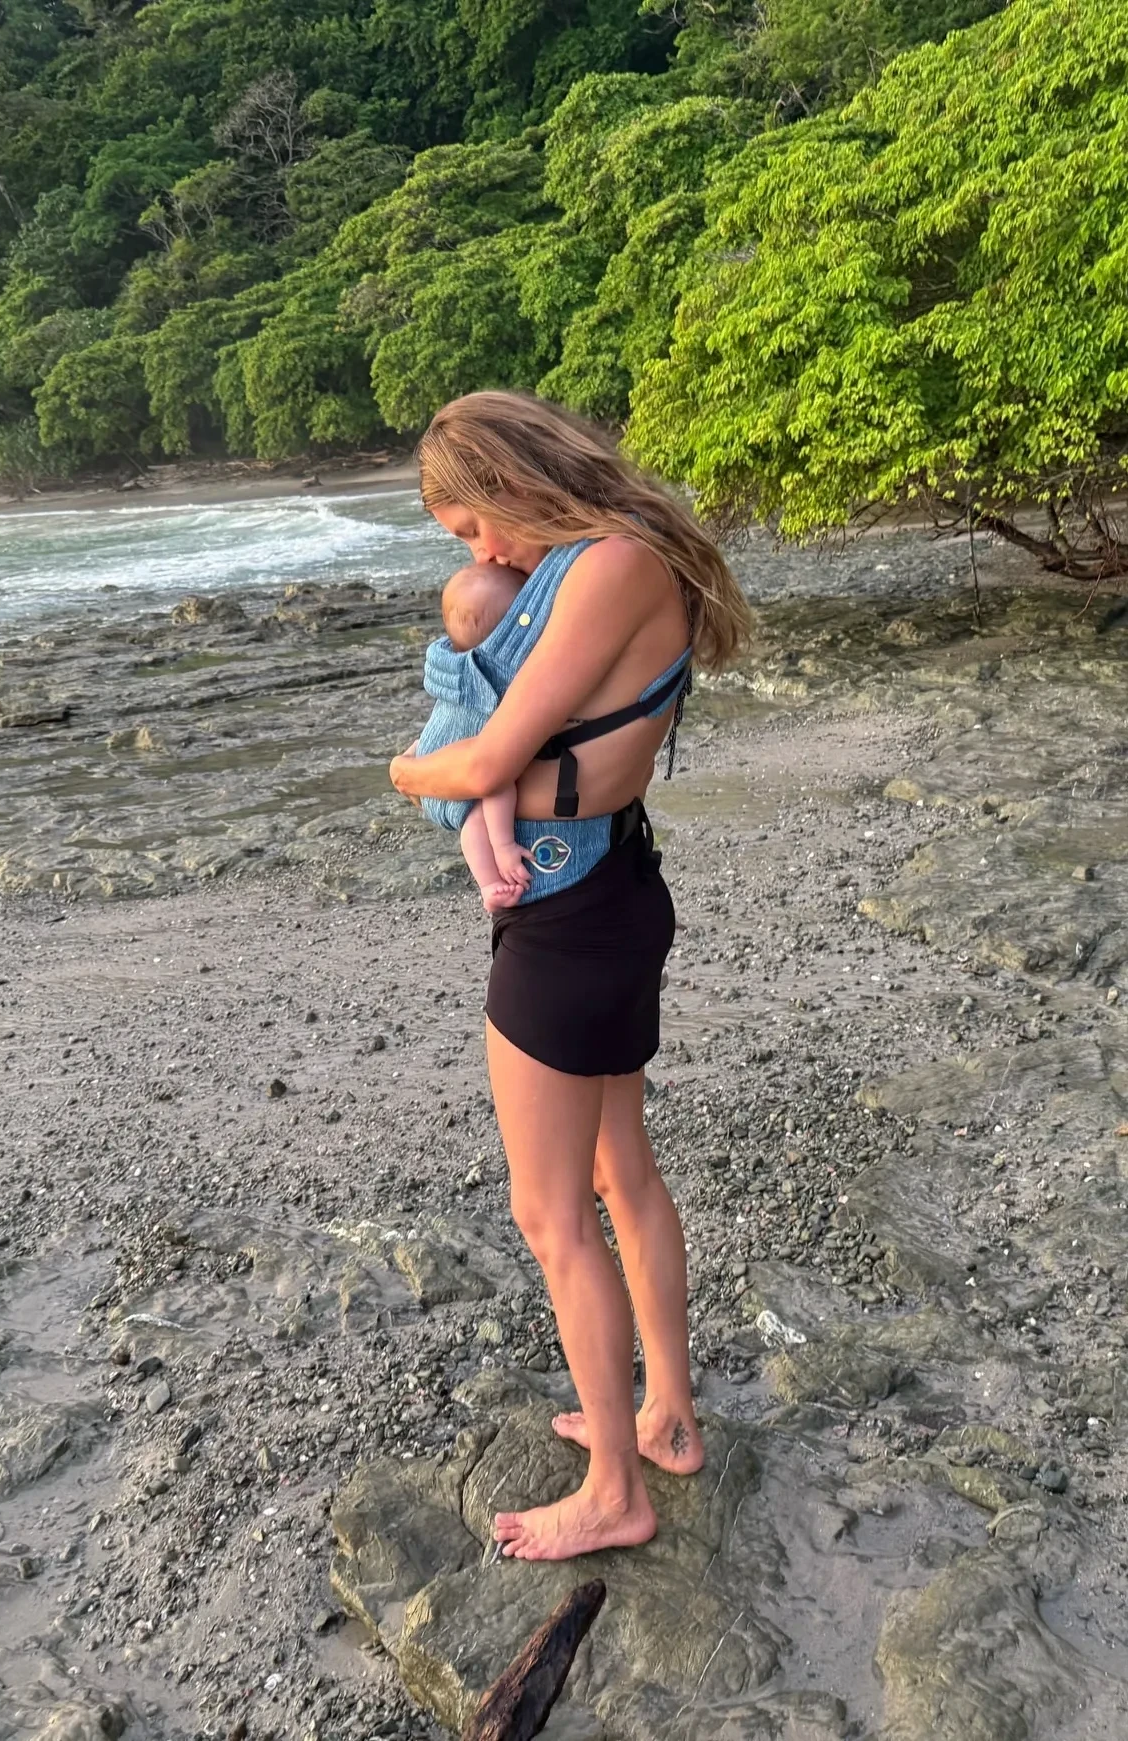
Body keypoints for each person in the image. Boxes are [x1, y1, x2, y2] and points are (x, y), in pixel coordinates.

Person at [389, 391, 752, 1562]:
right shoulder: (623, 558)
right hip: (608, 896)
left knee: (549, 1212)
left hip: (569, 923)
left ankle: (612, 1490)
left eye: (475, 527)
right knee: (617, 1170)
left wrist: (403, 771)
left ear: (508, 478)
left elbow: (489, 756)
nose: (487, 555)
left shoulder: (606, 568)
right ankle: (665, 1415)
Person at [415, 561, 534, 912]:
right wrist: (505, 847)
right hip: (462, 769)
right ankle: (493, 874)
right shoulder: (500, 672)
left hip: (431, 757)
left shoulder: (448, 661)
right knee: (495, 787)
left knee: (475, 814)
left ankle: (489, 880)